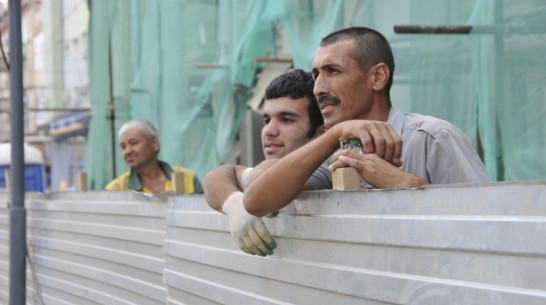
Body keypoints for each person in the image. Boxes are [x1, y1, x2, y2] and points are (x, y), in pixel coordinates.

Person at [243, 26, 491, 218]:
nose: (318, 88)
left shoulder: (433, 138)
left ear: (378, 77)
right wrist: (335, 133)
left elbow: (490, 221)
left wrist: (403, 183)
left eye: (333, 71)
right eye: (316, 74)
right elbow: (256, 202)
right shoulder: (337, 151)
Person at [202, 69, 324, 256]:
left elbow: (261, 177)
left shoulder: (327, 169)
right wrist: (233, 204)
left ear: (321, 132)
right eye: (267, 120)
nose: (269, 131)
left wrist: (251, 194)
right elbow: (214, 177)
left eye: (287, 120)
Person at [105, 119, 202, 194]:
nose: (128, 151)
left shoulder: (187, 177)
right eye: (123, 146)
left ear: (154, 143)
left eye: (134, 143)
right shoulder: (116, 189)